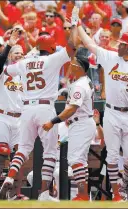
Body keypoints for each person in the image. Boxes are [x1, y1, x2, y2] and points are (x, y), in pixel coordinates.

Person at [72, 6, 128, 201]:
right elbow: (89, 44)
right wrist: (77, 23)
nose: (118, 45)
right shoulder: (110, 57)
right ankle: (117, 193)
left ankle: (125, 184)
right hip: (111, 113)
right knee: (111, 156)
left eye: (123, 44)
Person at [0, 33, 75, 201]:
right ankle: (44, 192)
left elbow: (4, 71)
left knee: (23, 149)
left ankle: (10, 176)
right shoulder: (52, 59)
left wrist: (28, 60)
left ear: (38, 47)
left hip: (26, 109)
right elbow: (73, 46)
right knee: (50, 152)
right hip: (45, 107)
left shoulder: (24, 62)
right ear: (52, 47)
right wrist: (75, 25)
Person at [43, 47, 96, 201]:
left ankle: (83, 195)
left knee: (75, 160)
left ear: (79, 67)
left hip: (81, 123)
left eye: (73, 64)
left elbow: (72, 108)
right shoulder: (82, 81)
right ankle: (84, 194)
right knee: (81, 161)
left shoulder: (80, 85)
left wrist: (53, 121)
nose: (70, 66)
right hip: (82, 122)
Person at [0, 30, 27, 201]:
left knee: (20, 154)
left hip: (19, 118)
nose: (19, 56)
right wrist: (9, 43)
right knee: (1, 153)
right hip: (1, 116)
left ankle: (15, 193)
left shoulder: (25, 76)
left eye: (22, 54)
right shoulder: (0, 71)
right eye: (16, 53)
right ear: (9, 55)